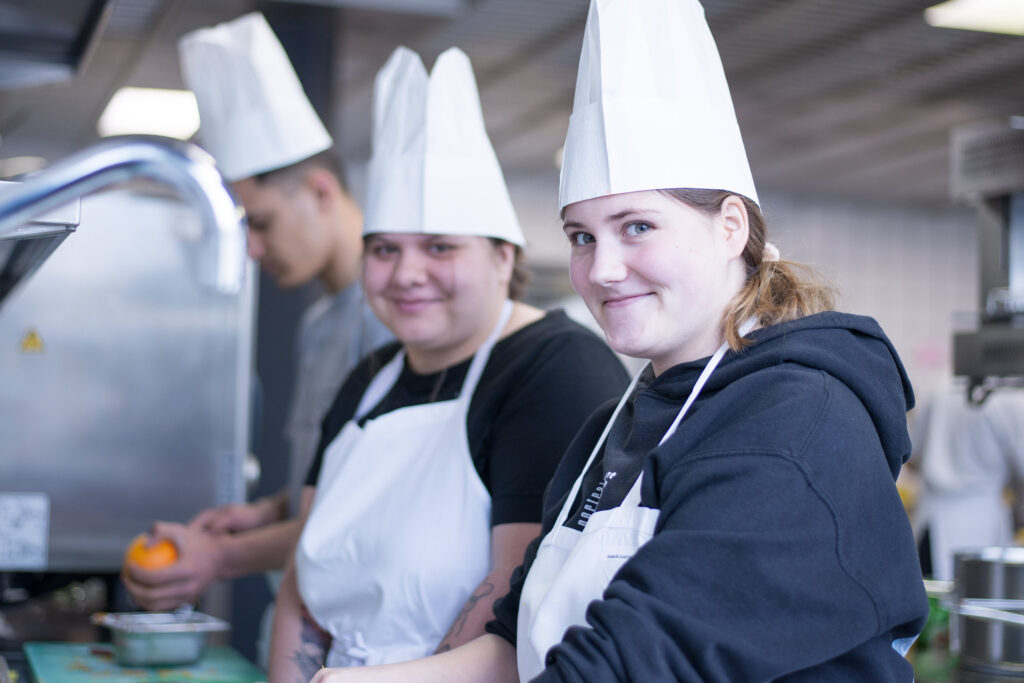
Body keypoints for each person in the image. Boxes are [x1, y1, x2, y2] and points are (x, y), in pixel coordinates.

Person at [307, 1, 930, 681]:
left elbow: (623, 666)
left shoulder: (799, 420)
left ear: (729, 227)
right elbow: (512, 647)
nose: (601, 269)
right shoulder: (618, 423)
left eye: (637, 227)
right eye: (582, 236)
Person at [266, 45, 629, 681]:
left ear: (502, 259)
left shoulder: (555, 367)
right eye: (383, 250)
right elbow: (303, 579)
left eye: (439, 247)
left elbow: (514, 591)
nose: (407, 274)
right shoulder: (370, 378)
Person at [121, 12, 393, 637]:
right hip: (300, 614)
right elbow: (327, 478)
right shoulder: (321, 323)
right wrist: (265, 512)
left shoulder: (393, 327)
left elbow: (369, 510)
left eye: (261, 222)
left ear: (321, 191)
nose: (252, 249)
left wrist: (219, 557)